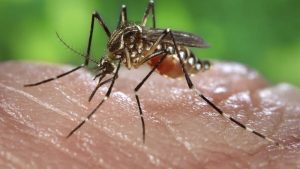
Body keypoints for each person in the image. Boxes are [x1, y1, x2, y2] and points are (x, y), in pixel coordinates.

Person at [0, 61, 299, 169]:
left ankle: (208, 101)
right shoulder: (116, 53)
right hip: (153, 54)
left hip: (167, 56)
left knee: (156, 31)